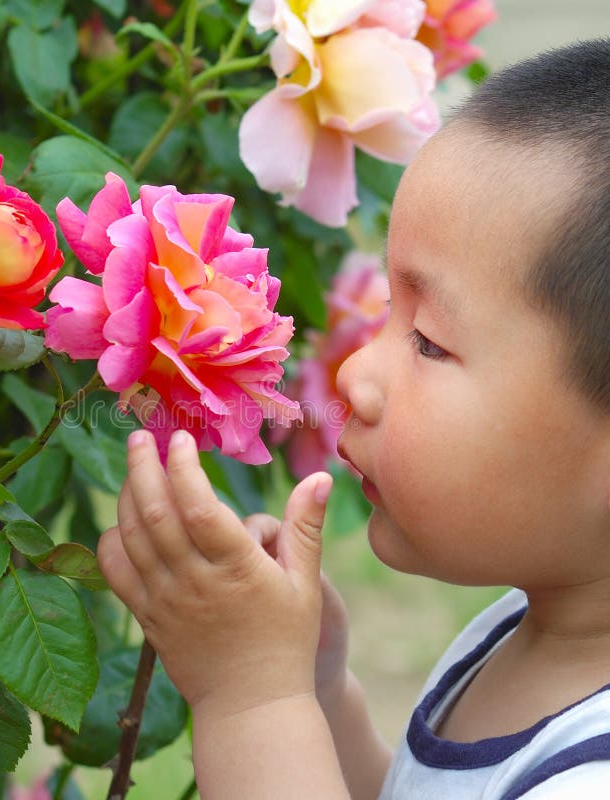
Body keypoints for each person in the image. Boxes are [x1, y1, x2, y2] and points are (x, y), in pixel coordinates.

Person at [97, 39, 610, 799]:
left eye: (429, 341)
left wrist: (253, 698)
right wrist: (318, 689)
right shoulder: (531, 626)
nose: (354, 373)